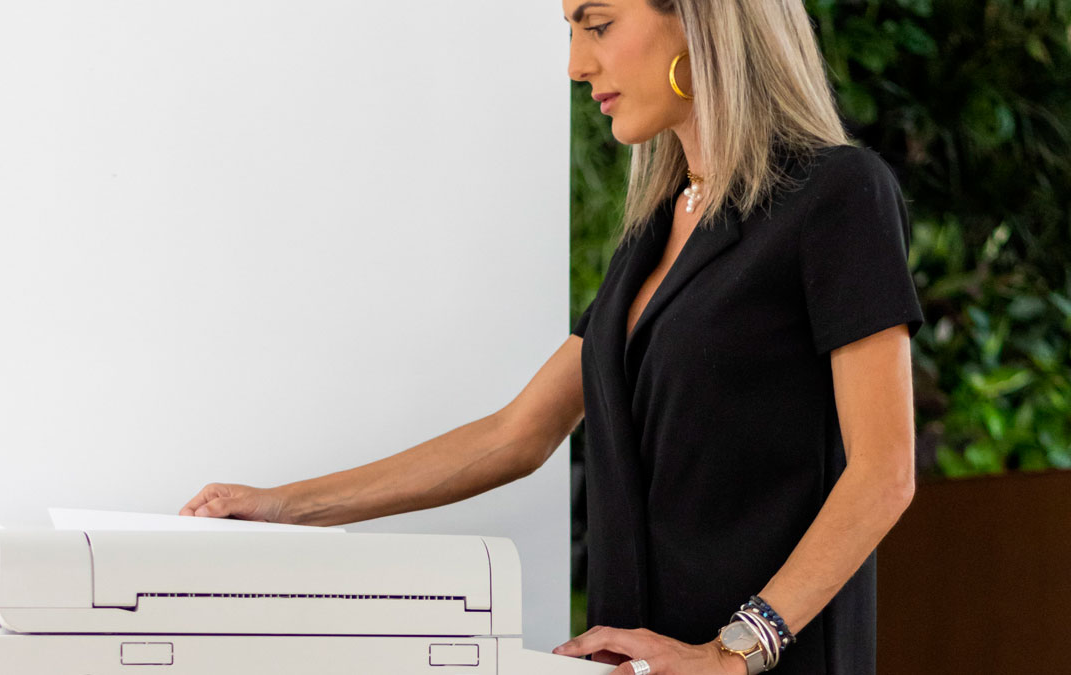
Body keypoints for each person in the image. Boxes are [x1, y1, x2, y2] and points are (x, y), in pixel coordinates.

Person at [180, 1, 925, 673]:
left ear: (701, 19)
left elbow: (884, 471)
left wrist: (733, 652)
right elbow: (516, 434)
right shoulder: (651, 239)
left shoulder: (838, 195)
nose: (576, 65)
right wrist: (285, 507)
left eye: (597, 24)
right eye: (570, 31)